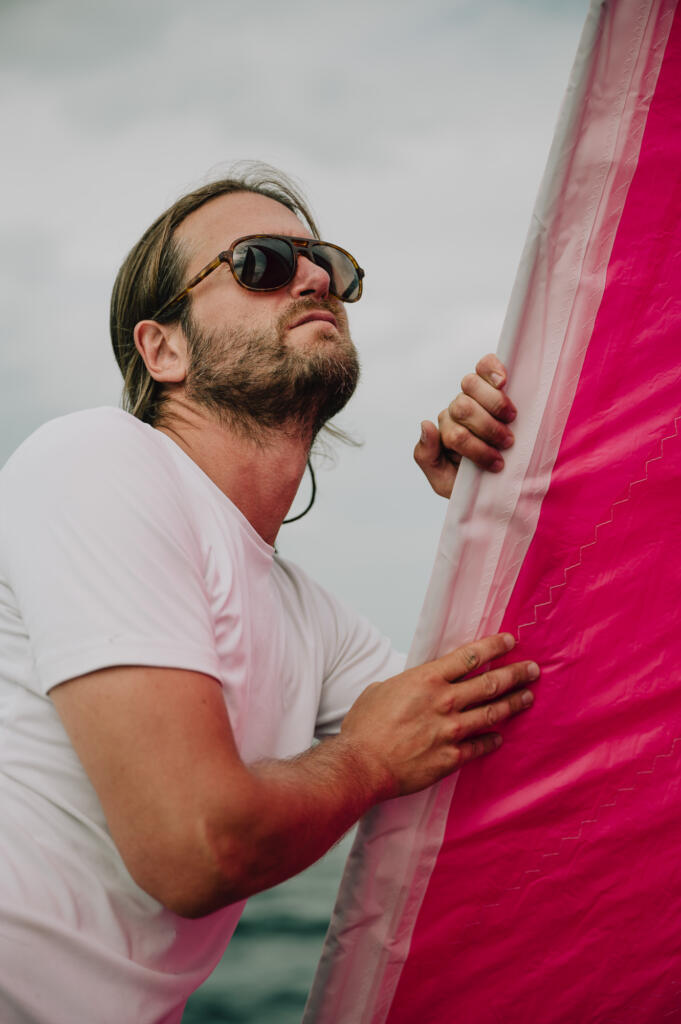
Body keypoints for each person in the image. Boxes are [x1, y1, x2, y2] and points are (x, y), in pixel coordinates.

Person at [0, 166, 537, 1023]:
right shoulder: (94, 459)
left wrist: (493, 504)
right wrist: (364, 759)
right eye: (262, 263)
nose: (316, 277)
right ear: (162, 349)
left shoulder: (308, 618)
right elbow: (194, 847)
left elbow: (506, 722)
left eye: (327, 263)